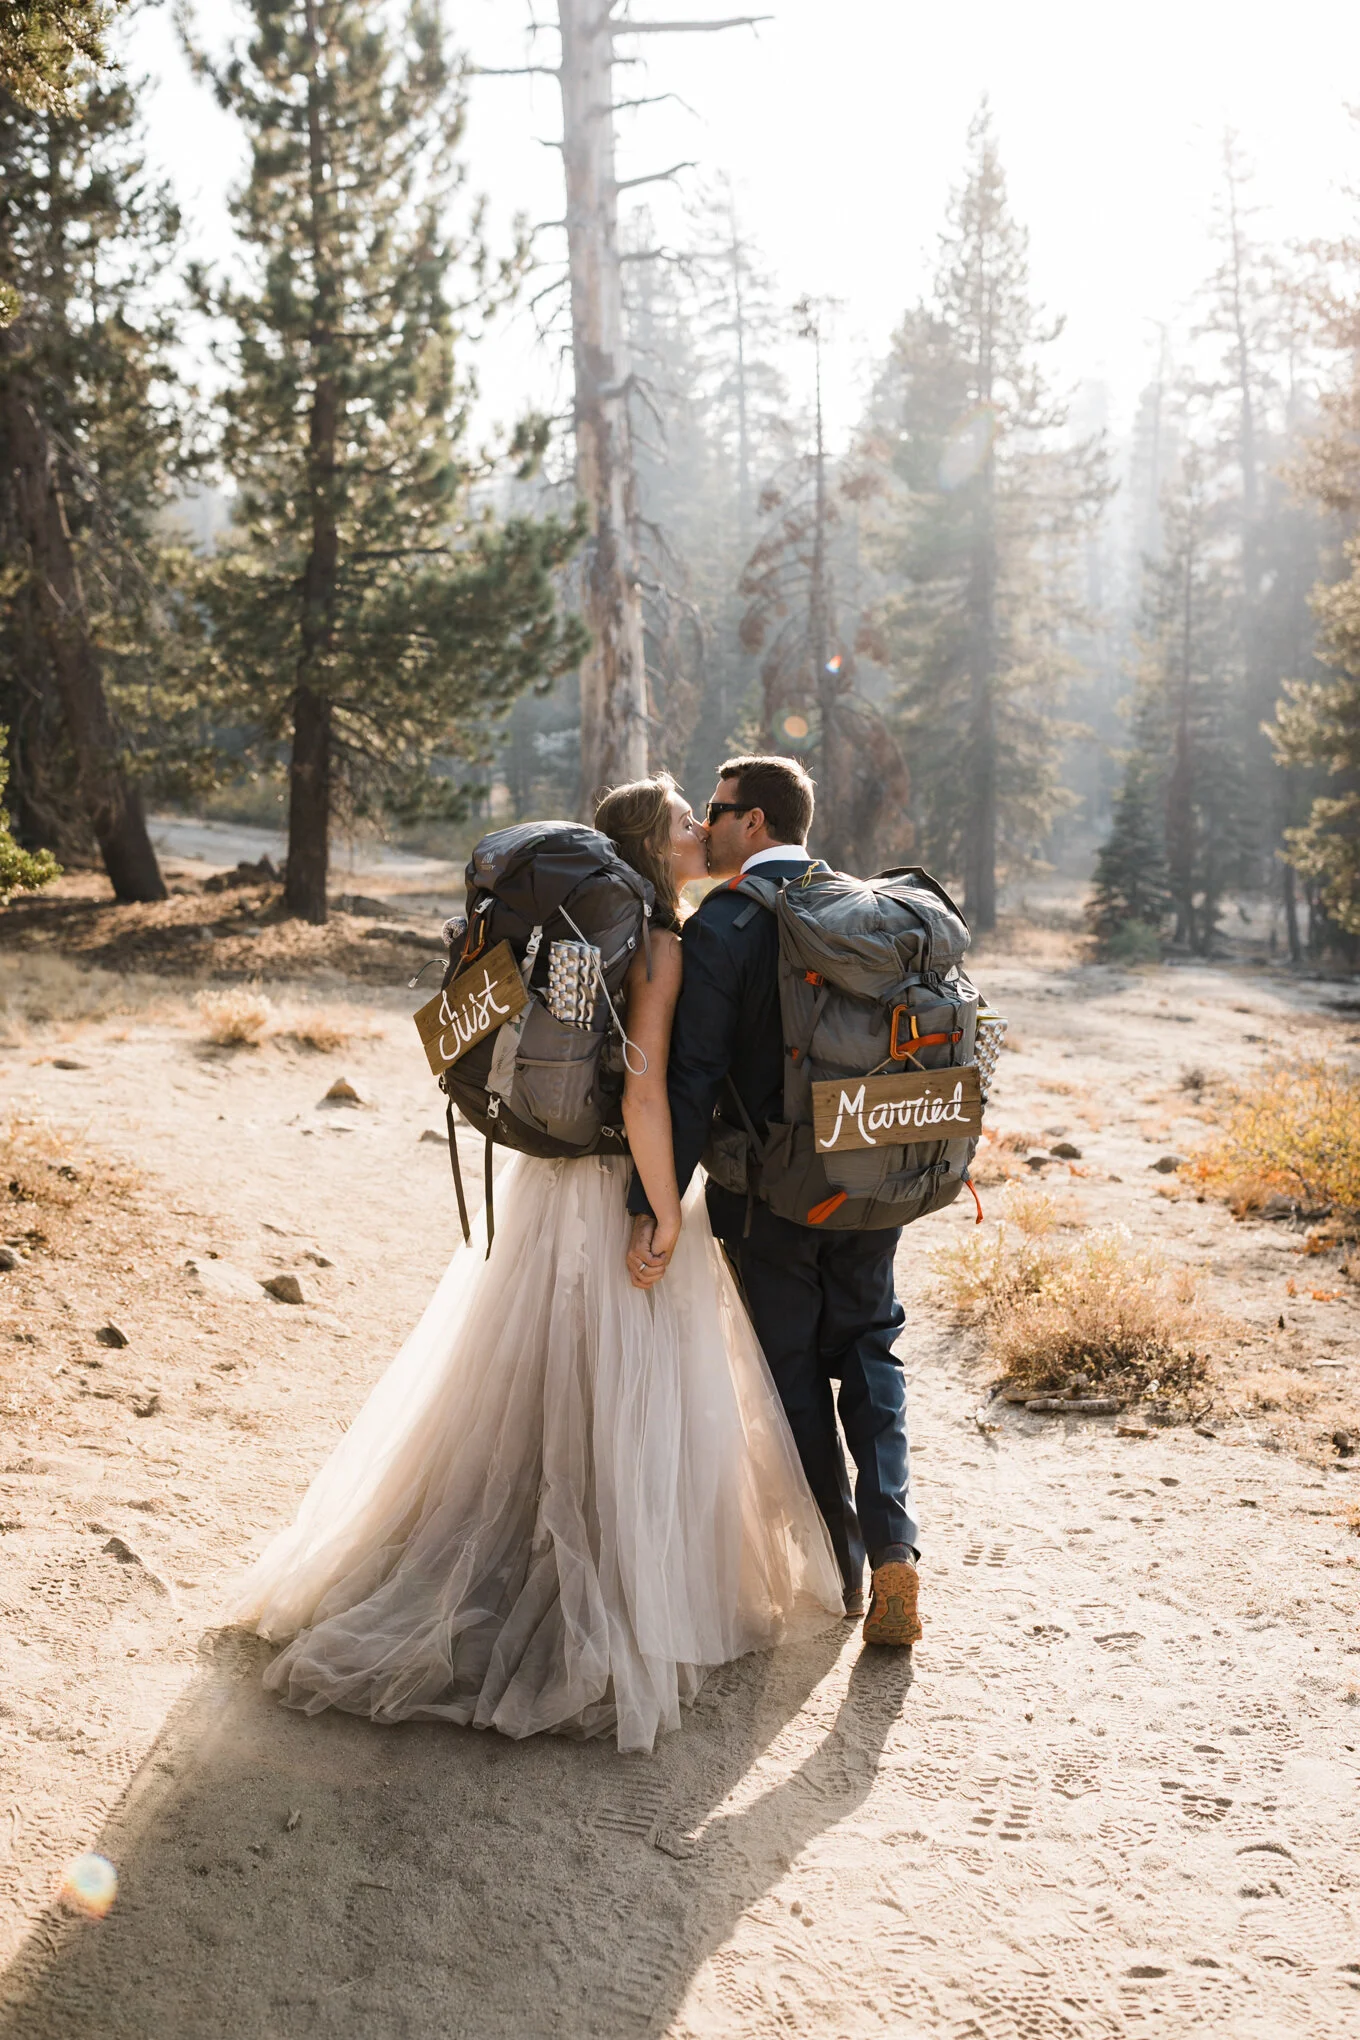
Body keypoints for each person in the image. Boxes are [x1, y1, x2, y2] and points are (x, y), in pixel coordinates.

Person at [233, 773, 842, 1755]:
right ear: (655, 842)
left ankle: (498, 1557)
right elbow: (644, 1095)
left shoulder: (574, 930)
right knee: (616, 1389)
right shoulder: (655, 939)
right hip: (609, 1186)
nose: (700, 829)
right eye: (687, 819)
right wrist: (661, 1214)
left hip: (542, 1187)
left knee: (526, 1383)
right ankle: (592, 1592)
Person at [626, 755, 922, 1650]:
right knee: (872, 1353)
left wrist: (659, 1200)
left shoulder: (725, 924)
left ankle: (837, 1571)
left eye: (716, 812)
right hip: (875, 1176)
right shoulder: (863, 905)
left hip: (771, 1194)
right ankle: (893, 1549)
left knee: (791, 1372)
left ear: (753, 824)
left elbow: (693, 1077)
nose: (706, 827)